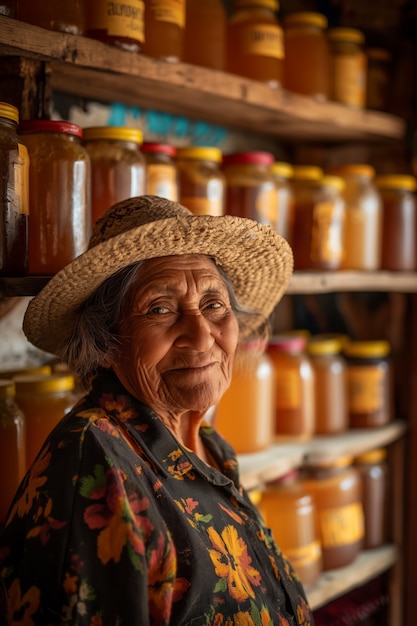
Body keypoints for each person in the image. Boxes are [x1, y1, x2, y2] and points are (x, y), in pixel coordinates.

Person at [0, 195, 313, 625]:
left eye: (213, 304)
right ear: (106, 340)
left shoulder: (208, 445)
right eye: (160, 309)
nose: (202, 338)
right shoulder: (93, 463)